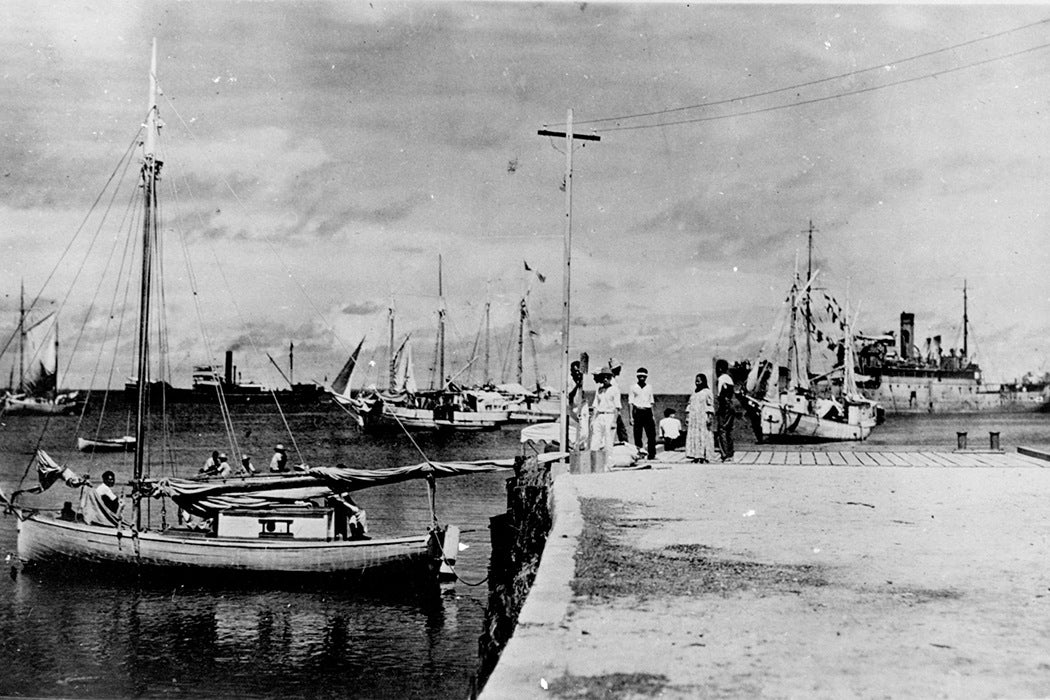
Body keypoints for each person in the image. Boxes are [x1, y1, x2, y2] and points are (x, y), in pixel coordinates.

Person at [628, 367, 657, 459]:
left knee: (651, 434)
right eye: (640, 376)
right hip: (638, 412)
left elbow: (651, 402)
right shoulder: (633, 387)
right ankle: (640, 454)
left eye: (644, 376)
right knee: (638, 435)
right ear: (637, 376)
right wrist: (631, 417)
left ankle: (652, 454)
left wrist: (653, 416)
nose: (642, 378)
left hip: (648, 412)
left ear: (646, 377)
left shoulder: (649, 387)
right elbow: (631, 403)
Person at [686, 373, 715, 462]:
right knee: (695, 436)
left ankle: (703, 455)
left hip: (703, 417)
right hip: (694, 418)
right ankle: (696, 455)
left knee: (703, 435)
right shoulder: (694, 392)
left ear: (704, 381)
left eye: (699, 380)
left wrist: (709, 417)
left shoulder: (707, 392)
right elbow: (689, 405)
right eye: (696, 380)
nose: (697, 382)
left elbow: (710, 405)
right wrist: (687, 417)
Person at [590, 366, 619, 453]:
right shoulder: (599, 390)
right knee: (595, 441)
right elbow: (595, 405)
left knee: (608, 443)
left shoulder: (615, 390)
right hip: (599, 416)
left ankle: (608, 465)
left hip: (609, 416)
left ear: (611, 378)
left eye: (608, 377)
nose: (606, 379)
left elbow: (617, 408)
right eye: (604, 377)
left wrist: (614, 421)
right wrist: (593, 420)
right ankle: (594, 463)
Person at [714, 360, 735, 462]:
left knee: (722, 430)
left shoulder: (720, 379)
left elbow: (720, 395)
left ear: (719, 368)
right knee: (729, 430)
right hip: (731, 405)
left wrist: (718, 409)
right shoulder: (729, 379)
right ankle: (730, 453)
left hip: (724, 405)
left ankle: (725, 454)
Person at [608, 358, 628, 443]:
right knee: (621, 431)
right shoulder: (611, 381)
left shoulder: (613, 380)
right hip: (613, 410)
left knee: (621, 431)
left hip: (614, 410)